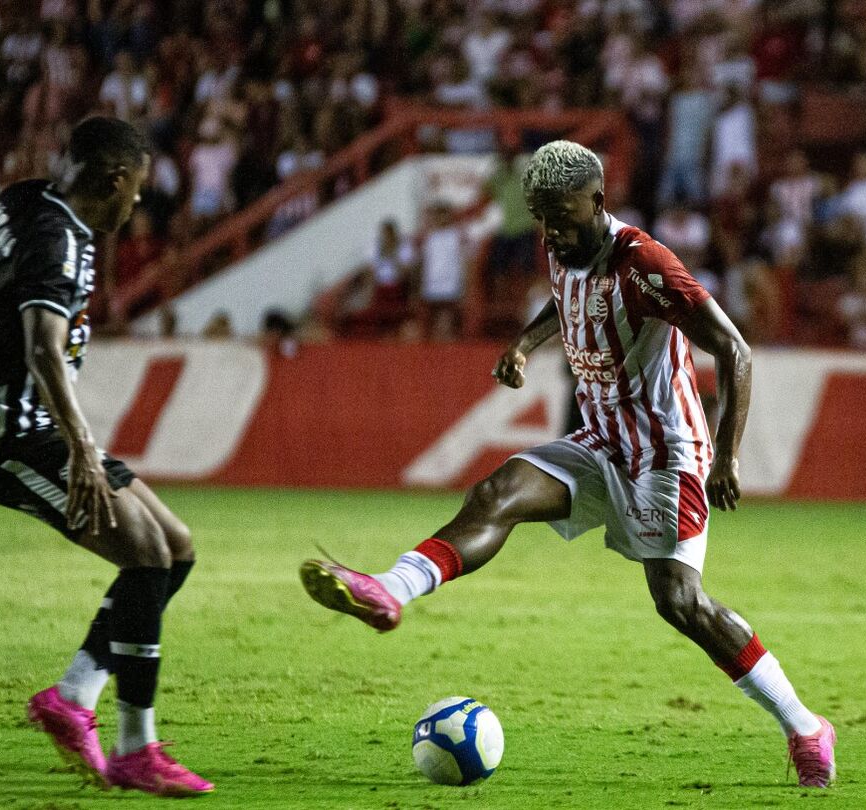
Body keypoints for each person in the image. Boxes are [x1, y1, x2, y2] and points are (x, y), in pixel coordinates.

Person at [300, 140, 837, 788]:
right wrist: (524, 344)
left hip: (668, 453)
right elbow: (565, 298)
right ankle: (390, 589)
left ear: (598, 201)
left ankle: (805, 726)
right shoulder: (562, 246)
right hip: (601, 438)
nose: (553, 232)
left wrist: (727, 456)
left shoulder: (646, 265)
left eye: (563, 216)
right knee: (496, 492)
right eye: (542, 218)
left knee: (678, 602)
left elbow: (735, 350)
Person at [0, 116, 213, 798]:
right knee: (147, 553)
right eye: (140, 189)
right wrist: (84, 449)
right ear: (116, 178)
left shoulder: (23, 199)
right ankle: (135, 749)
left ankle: (73, 695)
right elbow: (41, 347)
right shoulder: (56, 238)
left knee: (175, 548)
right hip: (10, 439)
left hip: (39, 430)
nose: (139, 203)